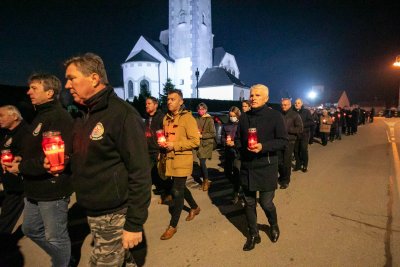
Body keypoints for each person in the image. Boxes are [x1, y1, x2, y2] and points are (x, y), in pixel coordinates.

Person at [64, 53, 151, 266]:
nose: (67, 85)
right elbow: (88, 157)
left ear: (94, 79)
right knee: (127, 261)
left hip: (114, 213)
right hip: (94, 210)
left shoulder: (122, 115)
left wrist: (134, 224)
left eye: (72, 78)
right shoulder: (85, 113)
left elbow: (140, 172)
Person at [4, 74, 74, 267]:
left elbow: (53, 159)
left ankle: (62, 262)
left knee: (56, 237)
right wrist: (22, 159)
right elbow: (37, 149)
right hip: (34, 187)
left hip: (51, 188)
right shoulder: (41, 115)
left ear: (49, 92)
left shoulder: (59, 117)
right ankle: (65, 258)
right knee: (30, 229)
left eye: (34, 88)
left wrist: (21, 167)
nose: (28, 92)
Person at [235, 84, 288, 251]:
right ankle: (253, 234)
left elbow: (282, 141)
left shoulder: (275, 116)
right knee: (249, 203)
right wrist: (235, 146)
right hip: (247, 167)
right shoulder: (244, 117)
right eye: (251, 95)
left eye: (257, 95)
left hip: (266, 167)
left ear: (265, 98)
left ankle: (273, 225)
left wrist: (262, 147)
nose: (253, 98)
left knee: (266, 203)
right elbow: (238, 139)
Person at [158, 89, 200, 240]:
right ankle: (194, 207)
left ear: (181, 101)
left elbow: (195, 141)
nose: (169, 102)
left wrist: (174, 145)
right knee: (180, 188)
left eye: (173, 99)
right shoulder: (166, 119)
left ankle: (172, 226)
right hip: (169, 160)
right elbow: (166, 138)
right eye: (168, 99)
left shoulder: (188, 118)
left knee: (176, 192)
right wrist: (162, 145)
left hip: (182, 160)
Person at [0, 105, 29, 236]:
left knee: (7, 216)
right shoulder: (8, 132)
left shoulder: (25, 132)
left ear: (15, 116)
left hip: (18, 183)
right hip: (9, 182)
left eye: (1, 115)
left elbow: (28, 154)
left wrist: (19, 158)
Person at [145, 96, 170, 200]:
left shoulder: (162, 117)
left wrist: (162, 151)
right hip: (148, 150)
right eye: (146, 104)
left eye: (149, 103)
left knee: (162, 173)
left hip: (158, 150)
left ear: (156, 105)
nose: (146, 105)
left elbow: (166, 135)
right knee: (151, 173)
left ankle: (168, 192)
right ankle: (163, 191)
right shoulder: (146, 118)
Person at [278, 99, 303, 189]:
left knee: (286, 162)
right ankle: (281, 176)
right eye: (282, 105)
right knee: (279, 161)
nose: (283, 106)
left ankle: (286, 181)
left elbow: (300, 129)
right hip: (279, 141)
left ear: (289, 105)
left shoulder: (295, 115)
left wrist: (288, 129)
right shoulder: (279, 114)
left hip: (290, 141)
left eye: (285, 105)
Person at [221, 106, 241, 203]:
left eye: (233, 116)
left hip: (237, 152)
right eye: (230, 116)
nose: (231, 118)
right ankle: (238, 185)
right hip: (228, 151)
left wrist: (235, 143)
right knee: (227, 172)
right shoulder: (226, 125)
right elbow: (222, 138)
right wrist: (226, 142)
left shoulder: (241, 125)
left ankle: (236, 193)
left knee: (237, 172)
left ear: (237, 115)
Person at [195, 102, 216, 191]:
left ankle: (206, 181)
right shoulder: (196, 118)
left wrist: (202, 135)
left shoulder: (209, 119)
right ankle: (205, 181)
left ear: (206, 110)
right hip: (199, 143)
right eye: (199, 109)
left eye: (203, 109)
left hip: (206, 144)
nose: (201, 111)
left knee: (202, 162)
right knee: (201, 163)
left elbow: (213, 133)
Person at [293, 98, 314, 172]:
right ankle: (298, 165)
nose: (296, 104)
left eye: (298, 103)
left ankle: (305, 165)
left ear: (302, 104)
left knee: (303, 149)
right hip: (295, 134)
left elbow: (311, 122)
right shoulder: (292, 112)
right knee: (295, 150)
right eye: (295, 103)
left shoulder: (306, 111)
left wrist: (301, 125)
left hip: (304, 134)